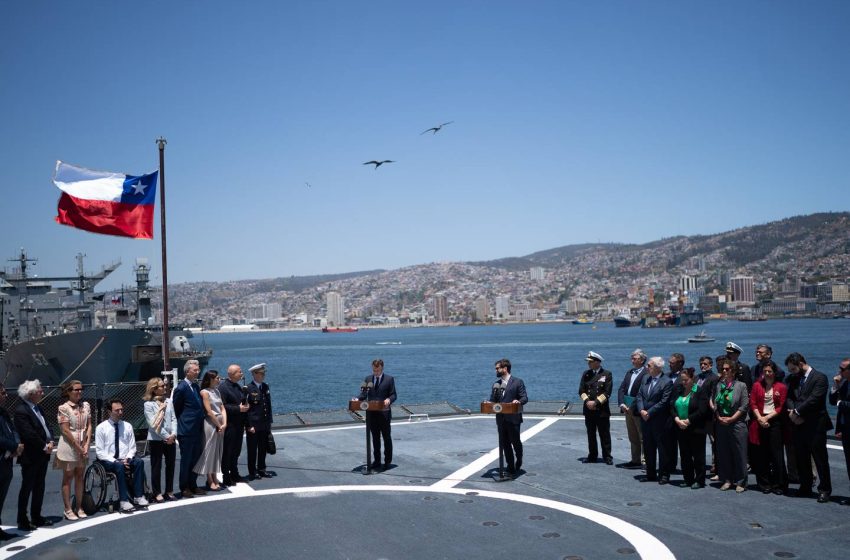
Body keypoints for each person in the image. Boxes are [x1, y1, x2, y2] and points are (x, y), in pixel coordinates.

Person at [785, 352, 832, 503]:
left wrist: (797, 412)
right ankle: (805, 486)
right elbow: (789, 397)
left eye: (793, 369)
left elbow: (815, 399)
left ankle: (824, 489)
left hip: (815, 424)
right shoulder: (793, 379)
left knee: (820, 459)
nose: (791, 373)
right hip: (798, 424)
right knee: (801, 457)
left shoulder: (820, 378)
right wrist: (793, 413)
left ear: (800, 364)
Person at [94, 399, 149, 511]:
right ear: (109, 412)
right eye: (116, 410)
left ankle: (138, 496)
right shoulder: (101, 428)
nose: (120, 412)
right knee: (119, 466)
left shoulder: (127, 426)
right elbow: (100, 452)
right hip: (108, 461)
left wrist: (128, 458)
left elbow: (132, 447)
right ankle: (123, 500)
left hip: (125, 458)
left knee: (139, 462)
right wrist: (116, 461)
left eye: (121, 410)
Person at [14, 379, 54, 530]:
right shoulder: (21, 411)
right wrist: (45, 445)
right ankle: (22, 519)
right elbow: (28, 434)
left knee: (39, 487)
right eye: (40, 391)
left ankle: (36, 516)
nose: (42, 393)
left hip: (42, 455)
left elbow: (46, 426)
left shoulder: (38, 408)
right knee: (27, 487)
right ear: (31, 394)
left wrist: (51, 440)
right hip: (31, 456)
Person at [53, 380, 91, 520]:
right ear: (68, 391)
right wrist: (79, 447)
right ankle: (68, 508)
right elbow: (65, 430)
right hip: (69, 445)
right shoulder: (63, 408)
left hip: (83, 443)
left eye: (81, 389)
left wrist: (86, 444)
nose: (79, 391)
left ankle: (79, 506)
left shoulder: (86, 406)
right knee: (68, 477)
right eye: (76, 389)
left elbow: (89, 425)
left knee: (80, 476)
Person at [749, 363, 787, 494]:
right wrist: (760, 418)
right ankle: (764, 483)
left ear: (774, 373)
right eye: (765, 371)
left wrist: (767, 418)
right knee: (761, 454)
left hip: (774, 422)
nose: (767, 373)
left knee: (776, 455)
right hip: (759, 420)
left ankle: (779, 484)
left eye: (770, 371)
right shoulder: (756, 385)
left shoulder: (781, 387)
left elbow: (781, 406)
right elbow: (752, 402)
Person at [712, 358, 749, 493]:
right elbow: (716, 404)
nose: (724, 371)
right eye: (723, 369)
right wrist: (718, 417)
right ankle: (727, 479)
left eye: (727, 369)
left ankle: (741, 481)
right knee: (724, 452)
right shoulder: (719, 385)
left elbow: (744, 406)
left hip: (737, 424)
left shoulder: (741, 386)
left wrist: (732, 418)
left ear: (733, 371)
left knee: (739, 453)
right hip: (721, 423)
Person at [173, 359, 208, 498]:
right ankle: (184, 487)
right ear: (187, 371)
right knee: (186, 460)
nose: (198, 371)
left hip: (197, 429)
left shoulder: (195, 387)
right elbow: (177, 409)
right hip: (186, 430)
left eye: (198, 369)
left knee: (196, 459)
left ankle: (193, 484)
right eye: (195, 370)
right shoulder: (181, 388)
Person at [355, 359, 397, 471]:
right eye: (374, 370)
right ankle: (377, 461)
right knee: (375, 438)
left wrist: (389, 399)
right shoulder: (368, 379)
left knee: (386, 438)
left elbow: (394, 395)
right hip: (372, 414)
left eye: (378, 370)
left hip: (384, 414)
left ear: (382, 368)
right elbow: (363, 394)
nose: (376, 372)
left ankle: (387, 461)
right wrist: (357, 399)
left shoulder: (389, 379)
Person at [670, 367, 709, 488]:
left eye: (686, 380)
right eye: (682, 380)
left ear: (692, 379)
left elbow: (702, 410)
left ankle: (699, 480)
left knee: (698, 456)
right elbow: (672, 406)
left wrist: (688, 420)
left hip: (696, 428)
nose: (684, 382)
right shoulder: (678, 389)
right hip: (681, 428)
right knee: (685, 455)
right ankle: (688, 479)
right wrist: (676, 419)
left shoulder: (700, 391)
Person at [636, 357, 673, 484]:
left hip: (659, 421)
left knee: (663, 449)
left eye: (649, 365)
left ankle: (664, 475)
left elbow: (664, 402)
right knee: (648, 448)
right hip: (645, 420)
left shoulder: (667, 382)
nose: (647, 367)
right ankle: (650, 473)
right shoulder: (646, 378)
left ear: (657, 367)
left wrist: (649, 412)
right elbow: (640, 395)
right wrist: (641, 410)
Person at [488, 358, 528, 475]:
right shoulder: (496, 384)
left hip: (513, 418)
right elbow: (493, 400)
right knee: (505, 444)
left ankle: (519, 459)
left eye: (497, 368)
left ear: (505, 369)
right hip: (501, 419)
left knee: (515, 442)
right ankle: (510, 466)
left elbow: (524, 398)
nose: (495, 370)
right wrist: (488, 404)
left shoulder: (517, 382)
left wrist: (518, 401)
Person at [143, 377, 178, 502]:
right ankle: (157, 492)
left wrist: (173, 434)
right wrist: (167, 436)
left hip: (170, 438)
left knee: (171, 465)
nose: (164, 388)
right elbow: (153, 424)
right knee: (156, 466)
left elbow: (174, 418)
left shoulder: (168, 401)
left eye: (164, 386)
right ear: (154, 389)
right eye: (161, 386)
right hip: (156, 439)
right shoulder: (148, 404)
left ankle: (169, 491)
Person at [578, 351, 613, 465]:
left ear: (598, 362)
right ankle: (592, 455)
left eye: (591, 362)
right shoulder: (586, 374)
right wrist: (588, 402)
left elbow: (607, 393)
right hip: (589, 410)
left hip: (601, 410)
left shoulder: (606, 374)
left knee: (604, 434)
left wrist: (596, 403)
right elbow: (581, 391)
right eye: (588, 362)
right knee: (591, 434)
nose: (589, 364)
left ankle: (607, 456)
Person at [194, 371, 226, 491]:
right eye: (217, 378)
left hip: (219, 423)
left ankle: (214, 475)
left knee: (217, 450)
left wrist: (224, 423)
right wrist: (219, 425)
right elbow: (208, 411)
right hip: (211, 424)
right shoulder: (204, 392)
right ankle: (209, 478)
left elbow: (222, 408)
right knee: (209, 450)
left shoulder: (217, 391)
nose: (219, 379)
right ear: (211, 379)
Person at [219, 363, 249, 485]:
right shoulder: (223, 388)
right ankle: (226, 475)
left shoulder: (238, 386)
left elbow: (241, 402)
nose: (241, 373)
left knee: (236, 451)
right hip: (230, 424)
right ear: (231, 374)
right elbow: (222, 406)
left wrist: (246, 406)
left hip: (239, 424)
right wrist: (238, 409)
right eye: (239, 372)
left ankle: (235, 473)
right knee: (228, 451)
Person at [0, 383, 23, 541]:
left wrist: (16, 445)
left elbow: (13, 430)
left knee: (1, 496)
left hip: (6, 461)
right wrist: (14, 446)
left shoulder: (3, 412)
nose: (6, 395)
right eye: (2, 392)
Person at [617, 349, 647, 468]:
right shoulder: (630, 372)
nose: (632, 360)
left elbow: (642, 392)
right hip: (627, 408)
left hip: (638, 409)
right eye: (632, 358)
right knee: (632, 435)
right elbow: (621, 389)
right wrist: (621, 403)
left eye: (634, 358)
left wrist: (632, 406)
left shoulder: (646, 373)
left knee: (642, 436)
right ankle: (635, 460)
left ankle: (645, 461)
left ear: (642, 360)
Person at [246, 363, 274, 480]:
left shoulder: (265, 387)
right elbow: (246, 410)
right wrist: (249, 425)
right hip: (254, 425)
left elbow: (268, 406)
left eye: (264, 373)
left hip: (264, 424)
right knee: (252, 449)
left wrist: (269, 422)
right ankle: (252, 471)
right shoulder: (248, 389)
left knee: (263, 448)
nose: (263, 375)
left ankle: (262, 469)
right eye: (261, 373)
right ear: (254, 374)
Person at [828, 357, 850, 505]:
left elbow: (841, 403)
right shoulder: (845, 383)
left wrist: (841, 403)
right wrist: (835, 385)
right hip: (846, 429)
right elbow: (831, 400)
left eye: (842, 369)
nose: (839, 371)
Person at [696, 356, 719, 477]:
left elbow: (713, 395)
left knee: (714, 441)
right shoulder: (697, 377)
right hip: (698, 415)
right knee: (698, 441)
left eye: (705, 364)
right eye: (701, 364)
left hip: (709, 415)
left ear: (710, 365)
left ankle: (716, 465)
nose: (702, 366)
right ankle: (699, 463)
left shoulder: (714, 378)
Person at [664, 353, 686, 475]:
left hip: (681, 414)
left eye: (672, 363)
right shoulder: (666, 376)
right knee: (669, 442)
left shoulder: (686, 377)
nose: (669, 365)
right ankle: (670, 466)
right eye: (669, 362)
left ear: (680, 363)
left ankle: (686, 467)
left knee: (683, 444)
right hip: (667, 415)